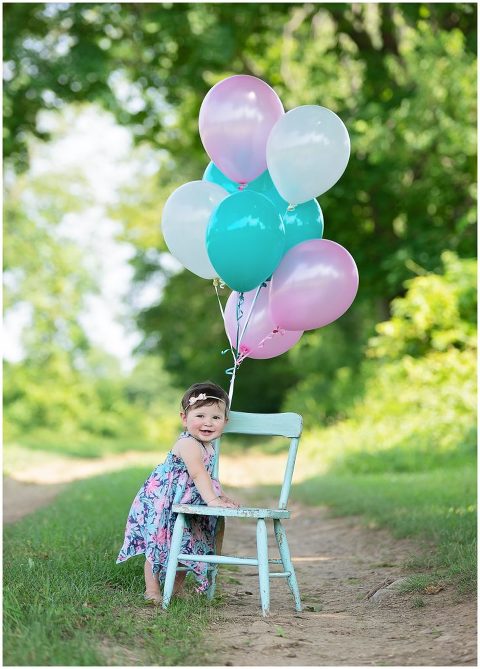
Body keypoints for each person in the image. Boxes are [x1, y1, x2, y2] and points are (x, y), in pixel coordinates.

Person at [116, 381, 238, 605]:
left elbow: (209, 478)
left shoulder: (208, 446)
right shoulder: (188, 444)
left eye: (215, 418)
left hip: (185, 500)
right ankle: (152, 590)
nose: (207, 423)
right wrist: (211, 499)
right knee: (159, 543)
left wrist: (218, 495)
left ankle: (176, 588)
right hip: (164, 501)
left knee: (186, 542)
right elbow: (198, 474)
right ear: (184, 418)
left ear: (225, 422)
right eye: (200, 416)